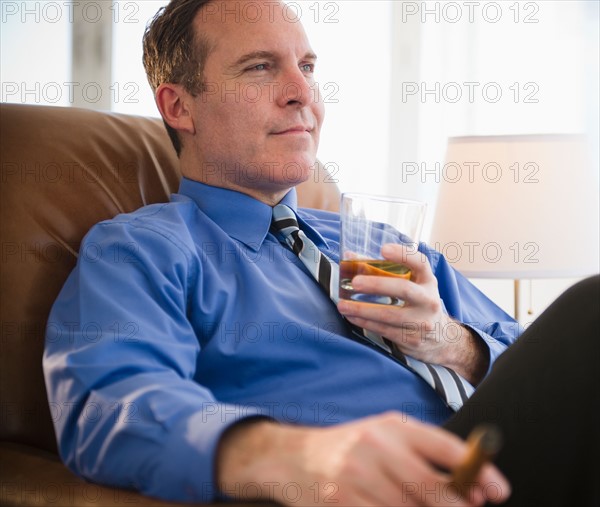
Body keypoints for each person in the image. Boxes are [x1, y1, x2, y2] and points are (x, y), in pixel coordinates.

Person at [43, 1, 599, 506]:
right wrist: (296, 457)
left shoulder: (377, 241)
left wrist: (451, 344)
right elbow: (106, 405)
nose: (302, 93)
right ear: (179, 105)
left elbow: (541, 367)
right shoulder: (145, 249)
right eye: (260, 67)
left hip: (498, 461)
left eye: (307, 67)